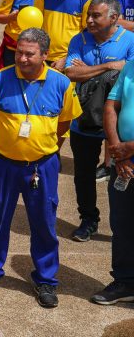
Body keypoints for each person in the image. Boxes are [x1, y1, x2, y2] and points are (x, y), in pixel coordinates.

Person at [0, 28, 81, 308]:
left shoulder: (61, 84)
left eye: (29, 54)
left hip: (42, 166)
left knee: (44, 222)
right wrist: (11, 141)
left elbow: (64, 124)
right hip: (4, 164)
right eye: (19, 52)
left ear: (45, 55)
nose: (21, 58)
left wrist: (39, 146)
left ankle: (45, 280)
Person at [65, 0, 134, 243]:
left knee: (122, 172)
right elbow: (71, 72)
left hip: (118, 121)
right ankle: (88, 219)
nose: (90, 20)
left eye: (96, 16)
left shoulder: (130, 40)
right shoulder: (79, 39)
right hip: (85, 119)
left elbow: (129, 71)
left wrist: (88, 70)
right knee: (83, 174)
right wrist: (109, 66)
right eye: (89, 15)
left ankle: (122, 226)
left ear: (114, 18)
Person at [95, 53, 134, 305]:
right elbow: (111, 106)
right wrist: (117, 149)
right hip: (124, 160)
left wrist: (130, 147)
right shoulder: (131, 67)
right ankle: (125, 281)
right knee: (122, 222)